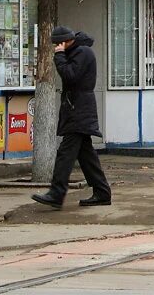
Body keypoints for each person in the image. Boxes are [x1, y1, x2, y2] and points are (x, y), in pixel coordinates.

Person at [32, 26, 112, 209]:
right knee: (86, 155)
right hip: (78, 108)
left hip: (79, 109)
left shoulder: (82, 52)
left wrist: (59, 56)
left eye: (57, 45)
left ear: (64, 42)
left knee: (65, 153)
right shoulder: (80, 51)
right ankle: (102, 192)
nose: (56, 48)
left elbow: (70, 76)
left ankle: (57, 193)